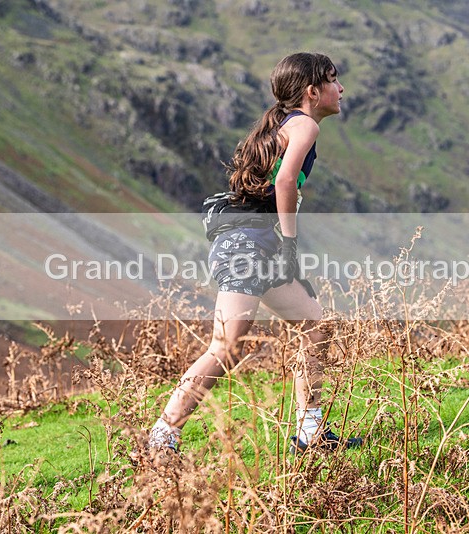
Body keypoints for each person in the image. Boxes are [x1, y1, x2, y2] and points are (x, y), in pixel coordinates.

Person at [146, 52, 362, 455]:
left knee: (315, 325)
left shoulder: (284, 123)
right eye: (334, 80)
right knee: (225, 348)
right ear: (313, 92)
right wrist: (291, 243)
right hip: (249, 245)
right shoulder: (305, 125)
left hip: (252, 242)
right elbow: (284, 182)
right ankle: (162, 436)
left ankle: (310, 433)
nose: (341, 88)